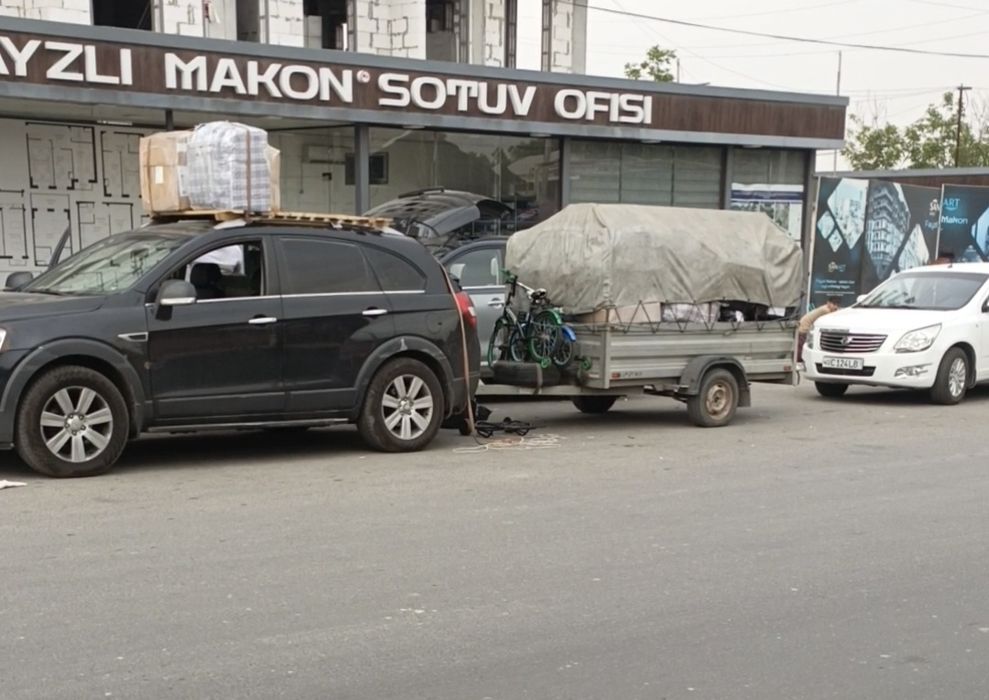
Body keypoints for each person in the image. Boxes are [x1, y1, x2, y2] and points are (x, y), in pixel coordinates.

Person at [797, 296, 840, 364]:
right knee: (802, 347)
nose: (836, 307)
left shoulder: (825, 308)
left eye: (837, 305)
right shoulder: (826, 310)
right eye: (834, 304)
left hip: (803, 326)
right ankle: (799, 362)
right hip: (803, 328)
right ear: (828, 303)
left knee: (801, 346)